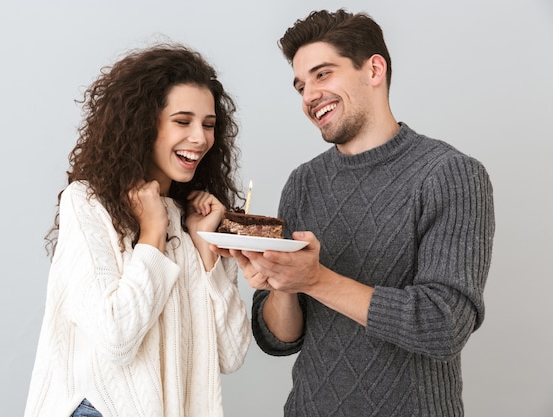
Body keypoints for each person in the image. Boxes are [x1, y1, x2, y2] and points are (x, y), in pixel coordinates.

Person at [211, 8, 495, 417]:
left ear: (374, 69)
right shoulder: (304, 182)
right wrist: (282, 283)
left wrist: (316, 278)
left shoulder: (450, 174)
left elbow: (444, 326)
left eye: (323, 74)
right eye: (301, 85)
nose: (309, 96)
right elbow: (280, 339)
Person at [24, 42, 251, 417]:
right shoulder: (87, 203)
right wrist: (151, 232)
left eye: (209, 125)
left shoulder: (194, 218)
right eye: (183, 121)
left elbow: (231, 354)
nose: (200, 138)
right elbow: (116, 340)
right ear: (144, 124)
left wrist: (206, 248)